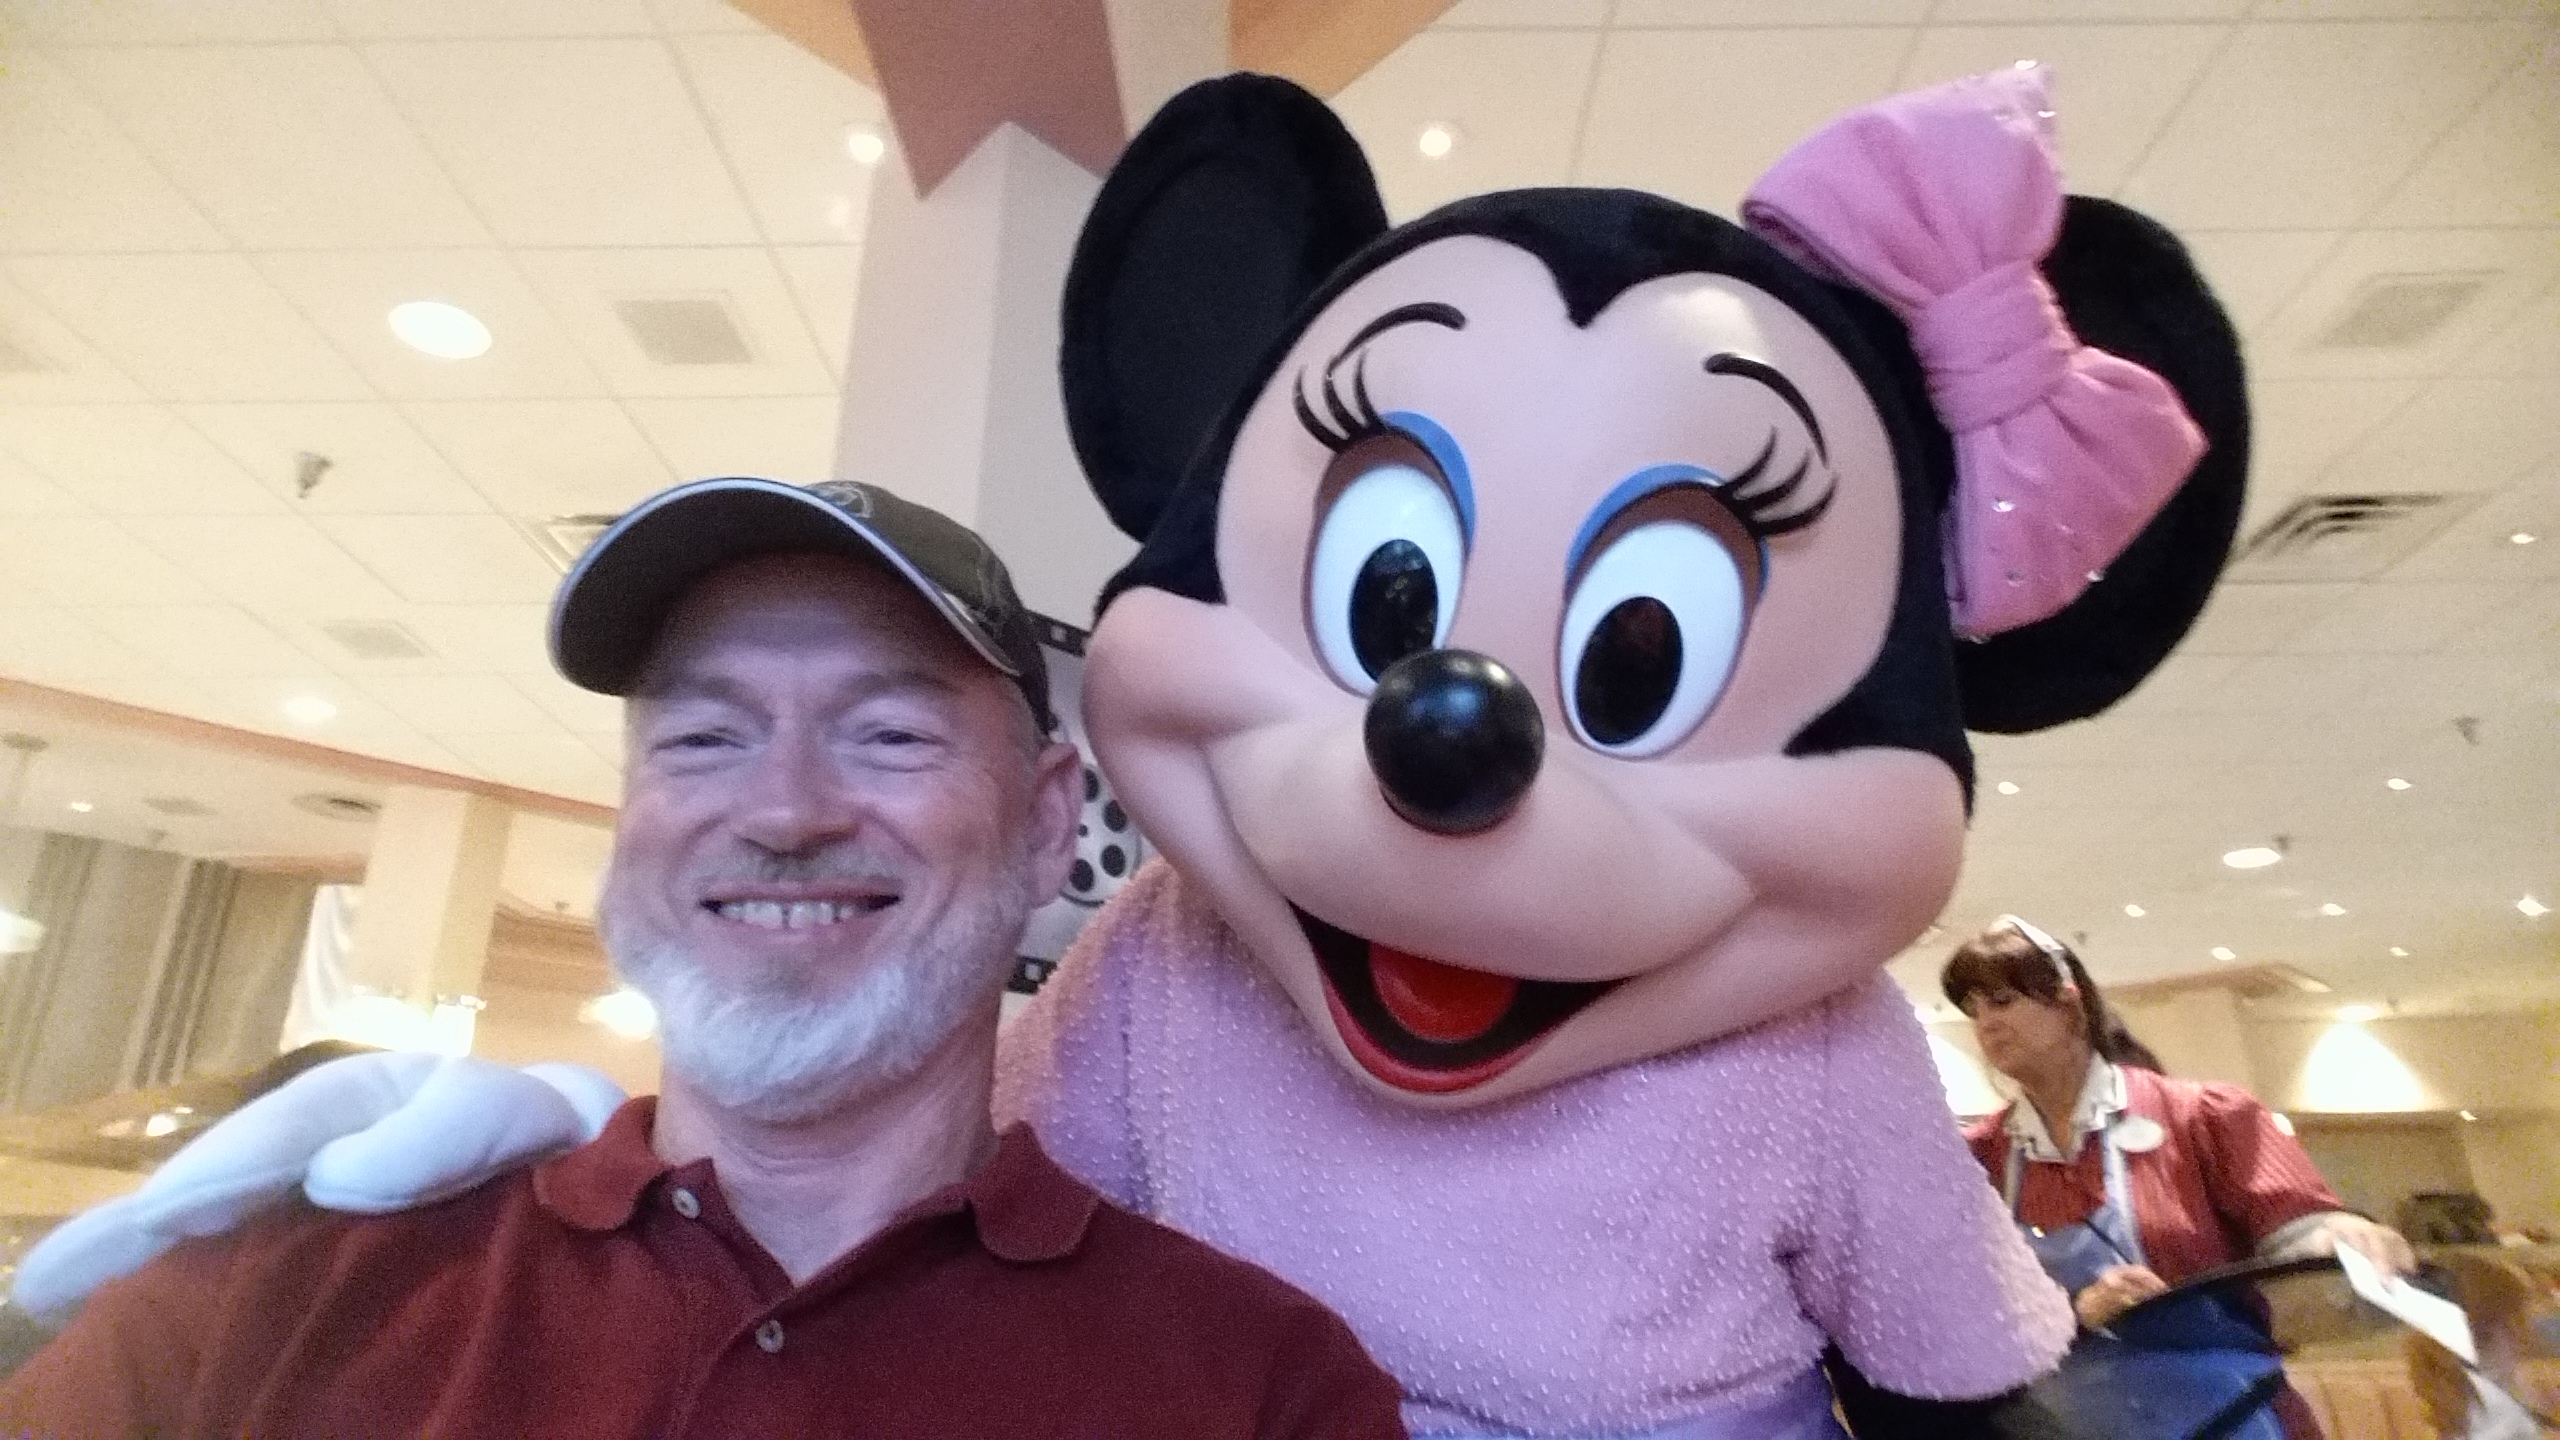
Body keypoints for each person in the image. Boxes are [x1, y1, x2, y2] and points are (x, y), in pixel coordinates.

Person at [0, 476, 1405, 1439]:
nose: (784, 811)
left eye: (889, 734)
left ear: (1045, 827)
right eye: (705, 738)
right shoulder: (272, 1288)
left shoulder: (1260, 1386)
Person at [1941, 915, 2417, 1440]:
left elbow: (2295, 1227)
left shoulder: (2205, 1117)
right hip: (2066, 1425)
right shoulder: (1977, 1158)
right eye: (1973, 1009)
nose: (1985, 1024)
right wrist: (2076, 1312)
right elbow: (1967, 1312)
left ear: (2069, 1004)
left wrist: (2340, 1233)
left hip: (2234, 1417)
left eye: (2002, 1001)